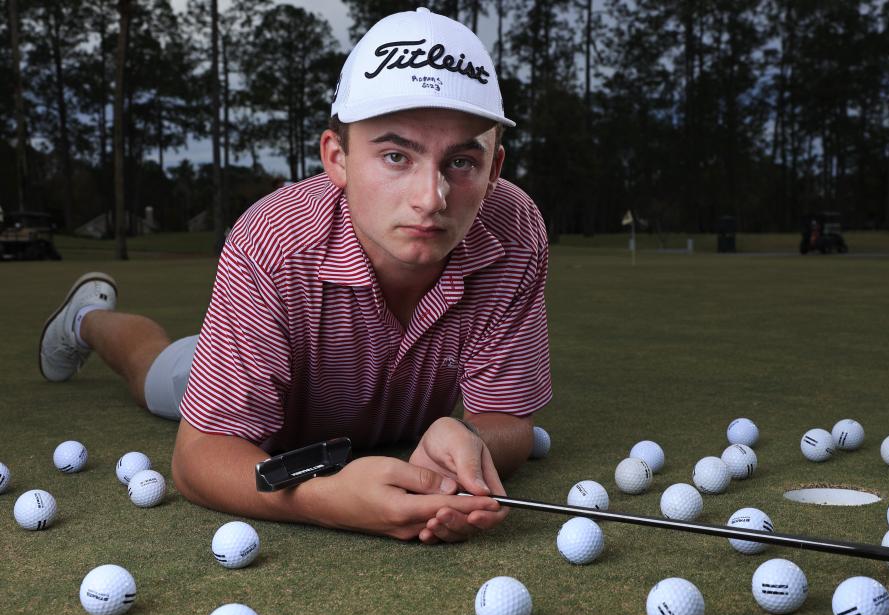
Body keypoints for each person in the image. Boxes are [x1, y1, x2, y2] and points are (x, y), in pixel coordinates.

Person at [38, 8, 551, 545]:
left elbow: (508, 418)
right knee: (154, 369)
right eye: (396, 155)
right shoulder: (271, 241)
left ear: (495, 169)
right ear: (339, 158)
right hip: (263, 387)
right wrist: (326, 500)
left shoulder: (515, 228)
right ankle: (87, 319)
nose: (431, 198)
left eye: (462, 162)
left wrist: (468, 434)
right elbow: (197, 458)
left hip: (374, 418)